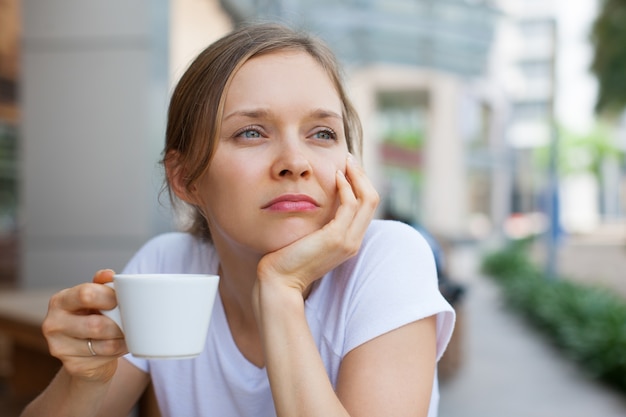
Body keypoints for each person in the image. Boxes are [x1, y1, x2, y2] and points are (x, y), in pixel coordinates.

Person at [21, 23, 455, 417]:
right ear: (186, 178)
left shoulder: (386, 259)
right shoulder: (167, 266)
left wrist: (281, 289)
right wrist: (85, 378)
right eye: (252, 132)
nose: (295, 162)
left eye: (321, 133)